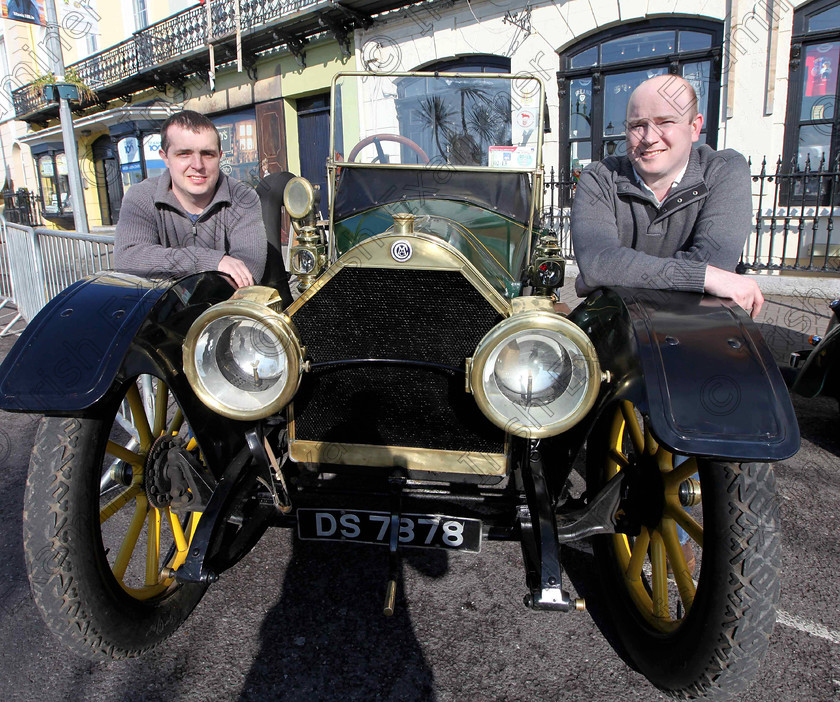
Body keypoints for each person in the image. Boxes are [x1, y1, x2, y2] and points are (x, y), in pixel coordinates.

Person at [571, 74, 764, 318]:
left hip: (694, 328)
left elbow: (716, 261)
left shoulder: (723, 169)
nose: (649, 138)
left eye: (665, 122)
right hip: (615, 327)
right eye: (637, 125)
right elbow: (598, 263)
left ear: (694, 127)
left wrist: (608, 275)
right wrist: (703, 277)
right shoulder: (600, 177)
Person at [114, 110, 265, 289]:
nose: (198, 165)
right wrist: (210, 261)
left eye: (208, 154)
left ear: (220, 156)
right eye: (184, 154)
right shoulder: (141, 196)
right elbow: (128, 258)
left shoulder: (243, 197)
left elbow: (247, 271)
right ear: (165, 157)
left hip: (226, 312)